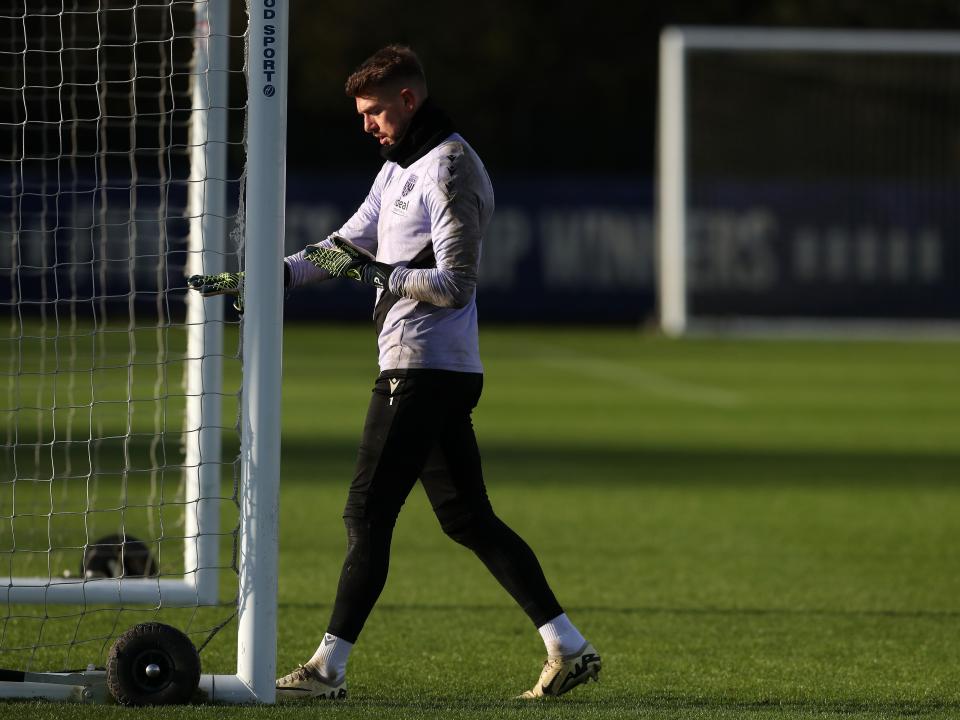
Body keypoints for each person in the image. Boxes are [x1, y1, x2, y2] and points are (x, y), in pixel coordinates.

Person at [188, 44, 601, 701]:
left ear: (409, 100)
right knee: (467, 519)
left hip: (425, 367)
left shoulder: (451, 166)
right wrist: (269, 278)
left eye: (376, 111)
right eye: (363, 113)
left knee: (367, 513)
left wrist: (380, 276)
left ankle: (326, 670)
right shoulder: (399, 166)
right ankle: (567, 645)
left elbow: (456, 285)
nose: (368, 124)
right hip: (426, 365)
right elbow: (346, 244)